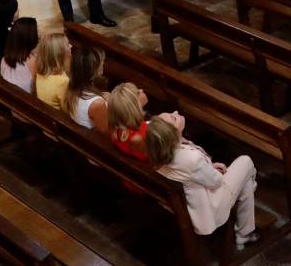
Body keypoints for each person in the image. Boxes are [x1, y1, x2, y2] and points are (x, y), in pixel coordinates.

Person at [145, 113, 261, 250]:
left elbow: (190, 172)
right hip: (211, 206)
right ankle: (251, 191)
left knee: (244, 179)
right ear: (172, 134)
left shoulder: (160, 152)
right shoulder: (191, 159)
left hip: (192, 203)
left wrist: (209, 167)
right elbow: (216, 181)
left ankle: (245, 233)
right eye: (173, 118)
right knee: (246, 161)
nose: (175, 113)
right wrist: (212, 170)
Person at [64, 46, 109, 132]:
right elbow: (106, 133)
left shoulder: (73, 87)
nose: (103, 63)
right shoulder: (97, 103)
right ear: (93, 72)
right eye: (100, 62)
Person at [108, 83, 152, 163]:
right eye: (138, 92)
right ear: (134, 105)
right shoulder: (142, 135)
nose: (141, 90)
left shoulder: (116, 129)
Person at [0, 17, 39, 93]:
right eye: (36, 31)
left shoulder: (4, 60)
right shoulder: (33, 60)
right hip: (27, 102)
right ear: (30, 37)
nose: (38, 33)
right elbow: (37, 89)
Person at [34, 34, 71, 109]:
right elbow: (67, 110)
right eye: (67, 44)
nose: (71, 46)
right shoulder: (63, 82)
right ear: (60, 54)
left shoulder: (42, 71)